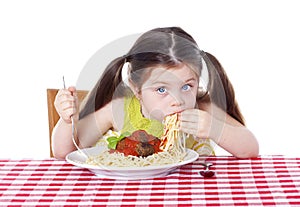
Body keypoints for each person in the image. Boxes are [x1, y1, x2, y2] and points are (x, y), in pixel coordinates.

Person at [52, 27, 259, 159]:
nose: (178, 101)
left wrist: (215, 129)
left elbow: (250, 149)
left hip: (190, 194)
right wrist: (67, 120)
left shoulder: (202, 108)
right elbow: (65, 152)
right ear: (136, 89)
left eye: (187, 86)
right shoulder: (119, 110)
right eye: (161, 89)